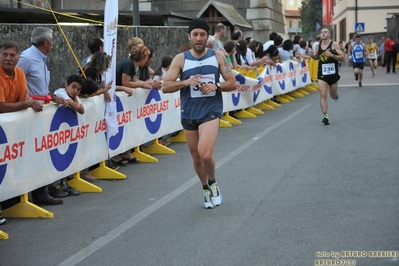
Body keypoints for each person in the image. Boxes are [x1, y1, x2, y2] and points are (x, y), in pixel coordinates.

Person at [162, 18, 236, 209]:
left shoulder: (218, 56)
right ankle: (205, 188)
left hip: (210, 110)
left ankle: (213, 183)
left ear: (207, 37)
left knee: (205, 154)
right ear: (190, 36)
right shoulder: (181, 59)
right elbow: (166, 86)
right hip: (189, 112)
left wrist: (216, 86)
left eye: (202, 34)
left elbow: (232, 82)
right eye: (195, 34)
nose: (198, 38)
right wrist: (184, 82)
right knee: (196, 158)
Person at [16, 27, 66, 204]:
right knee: (33, 153)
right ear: (46, 43)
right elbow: (17, 83)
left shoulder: (40, 58)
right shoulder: (27, 59)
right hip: (31, 113)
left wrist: (53, 97)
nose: (53, 44)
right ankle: (35, 195)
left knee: (42, 152)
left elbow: (39, 86)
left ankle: (43, 191)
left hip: (41, 111)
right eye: (52, 41)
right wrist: (29, 100)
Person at [310, 28, 344, 125]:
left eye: (325, 32)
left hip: (333, 74)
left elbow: (342, 57)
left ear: (329, 34)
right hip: (322, 74)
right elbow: (317, 56)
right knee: (323, 93)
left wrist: (332, 55)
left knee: (332, 95)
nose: (323, 34)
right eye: (321, 32)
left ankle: (336, 95)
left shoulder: (334, 44)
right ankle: (325, 116)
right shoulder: (318, 46)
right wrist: (312, 56)